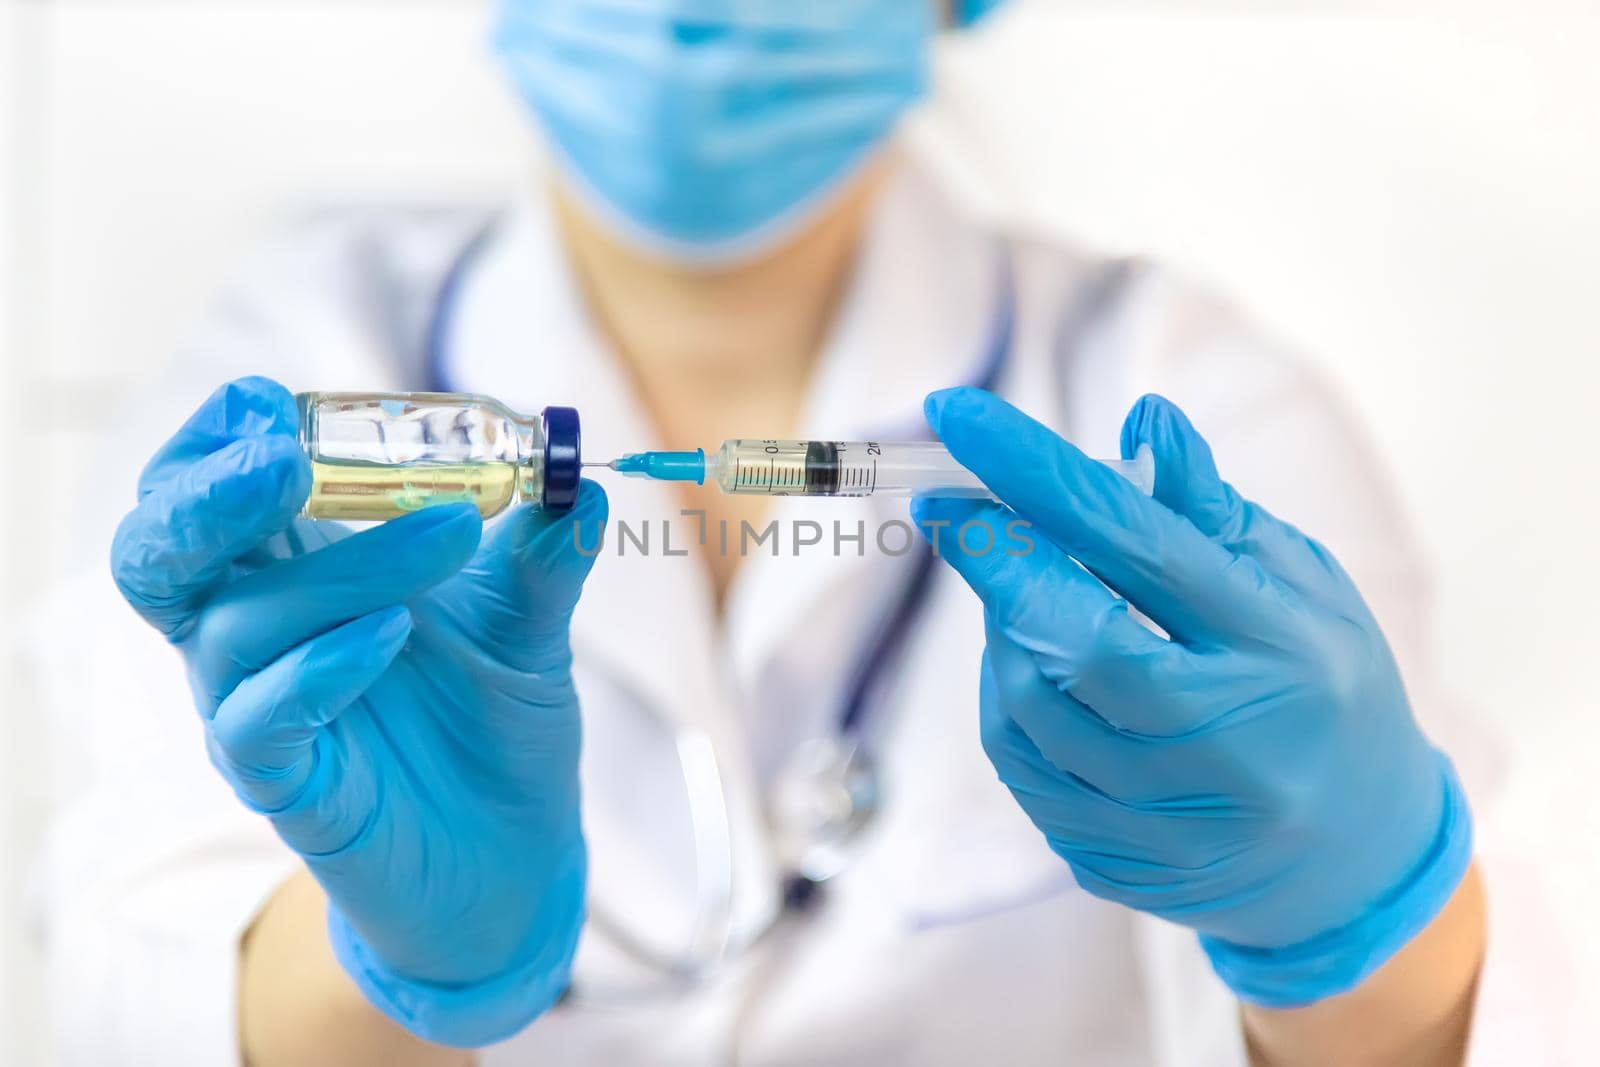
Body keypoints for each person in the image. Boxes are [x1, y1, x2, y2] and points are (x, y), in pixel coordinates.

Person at [43, 1, 1499, 1064]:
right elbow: (122, 997)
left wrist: (1366, 925)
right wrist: (397, 970)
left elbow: (1521, 1015)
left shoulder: (1184, 398)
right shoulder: (298, 365)